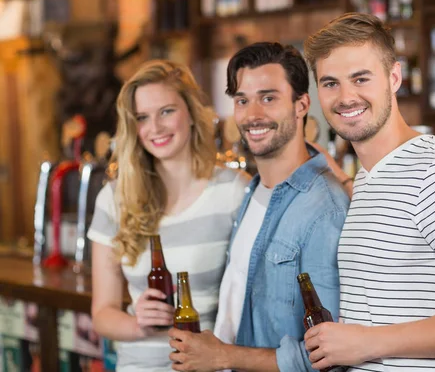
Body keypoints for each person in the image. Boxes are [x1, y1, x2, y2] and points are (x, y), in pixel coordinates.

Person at [301, 12, 435, 372]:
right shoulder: (370, 179)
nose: (345, 97)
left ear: (394, 78)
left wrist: (364, 343)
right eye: (330, 83)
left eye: (360, 78)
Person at [167, 42, 350, 372]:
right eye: (242, 100)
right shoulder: (254, 192)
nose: (253, 115)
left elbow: (328, 356)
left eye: (268, 98)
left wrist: (225, 356)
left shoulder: (324, 209)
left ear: (301, 105)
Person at [88, 59, 250, 372]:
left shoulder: (232, 192)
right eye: (143, 118)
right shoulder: (114, 198)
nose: (156, 128)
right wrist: (139, 325)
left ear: (191, 112)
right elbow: (102, 312)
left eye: (167, 111)